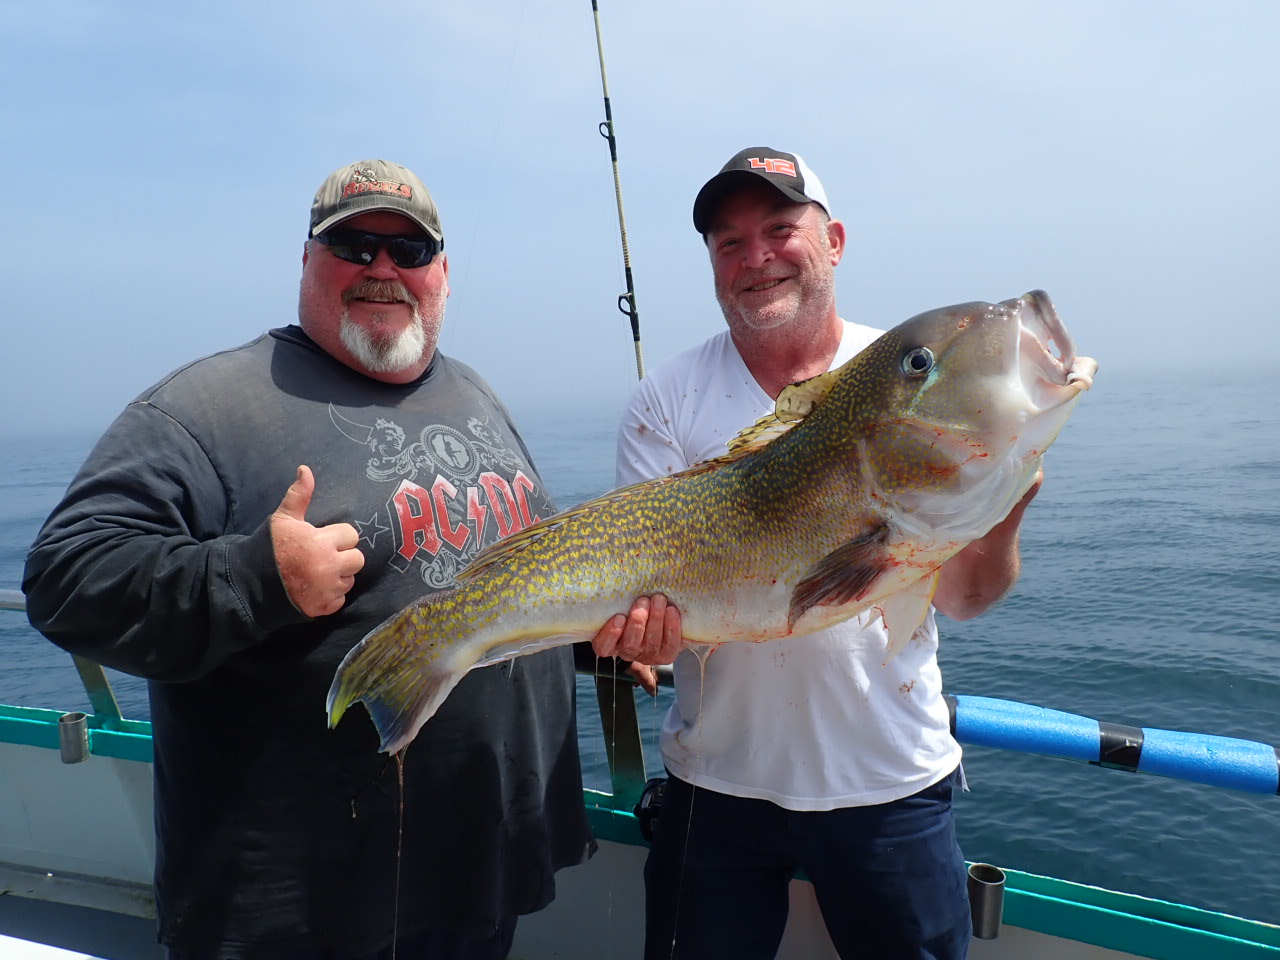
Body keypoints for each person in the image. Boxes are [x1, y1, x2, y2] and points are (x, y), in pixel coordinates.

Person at [23, 158, 669, 960]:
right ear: (306, 260)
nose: (383, 268)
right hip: (309, 910)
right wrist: (257, 578)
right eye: (354, 246)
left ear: (442, 273)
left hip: (482, 868)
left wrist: (591, 635)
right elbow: (64, 579)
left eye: (410, 250)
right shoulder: (206, 407)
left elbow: (500, 568)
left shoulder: (473, 392)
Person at [601, 148, 1044, 960]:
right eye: (730, 243)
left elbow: (966, 598)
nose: (756, 256)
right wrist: (642, 638)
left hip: (890, 784)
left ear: (833, 241)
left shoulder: (907, 374)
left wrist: (1001, 512)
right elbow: (651, 619)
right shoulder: (666, 397)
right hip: (714, 784)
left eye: (780, 229)